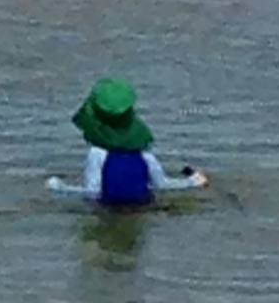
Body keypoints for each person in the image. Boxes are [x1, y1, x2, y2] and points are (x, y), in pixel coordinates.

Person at [47, 77, 208, 207]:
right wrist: (192, 181)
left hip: (109, 209)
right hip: (142, 205)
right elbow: (162, 184)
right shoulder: (144, 154)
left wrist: (60, 187)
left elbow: (93, 192)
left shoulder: (97, 154)